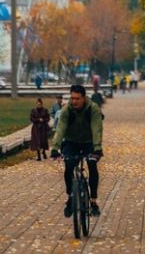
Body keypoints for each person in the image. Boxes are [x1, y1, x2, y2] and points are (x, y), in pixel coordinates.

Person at [51, 84, 104, 218]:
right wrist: (55, 148)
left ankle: (93, 201)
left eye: (77, 99)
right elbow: (60, 129)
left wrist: (97, 148)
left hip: (89, 143)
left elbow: (96, 129)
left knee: (92, 165)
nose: (74, 101)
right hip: (71, 143)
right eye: (72, 98)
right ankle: (70, 197)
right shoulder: (66, 110)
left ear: (84, 98)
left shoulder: (93, 109)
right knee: (68, 167)